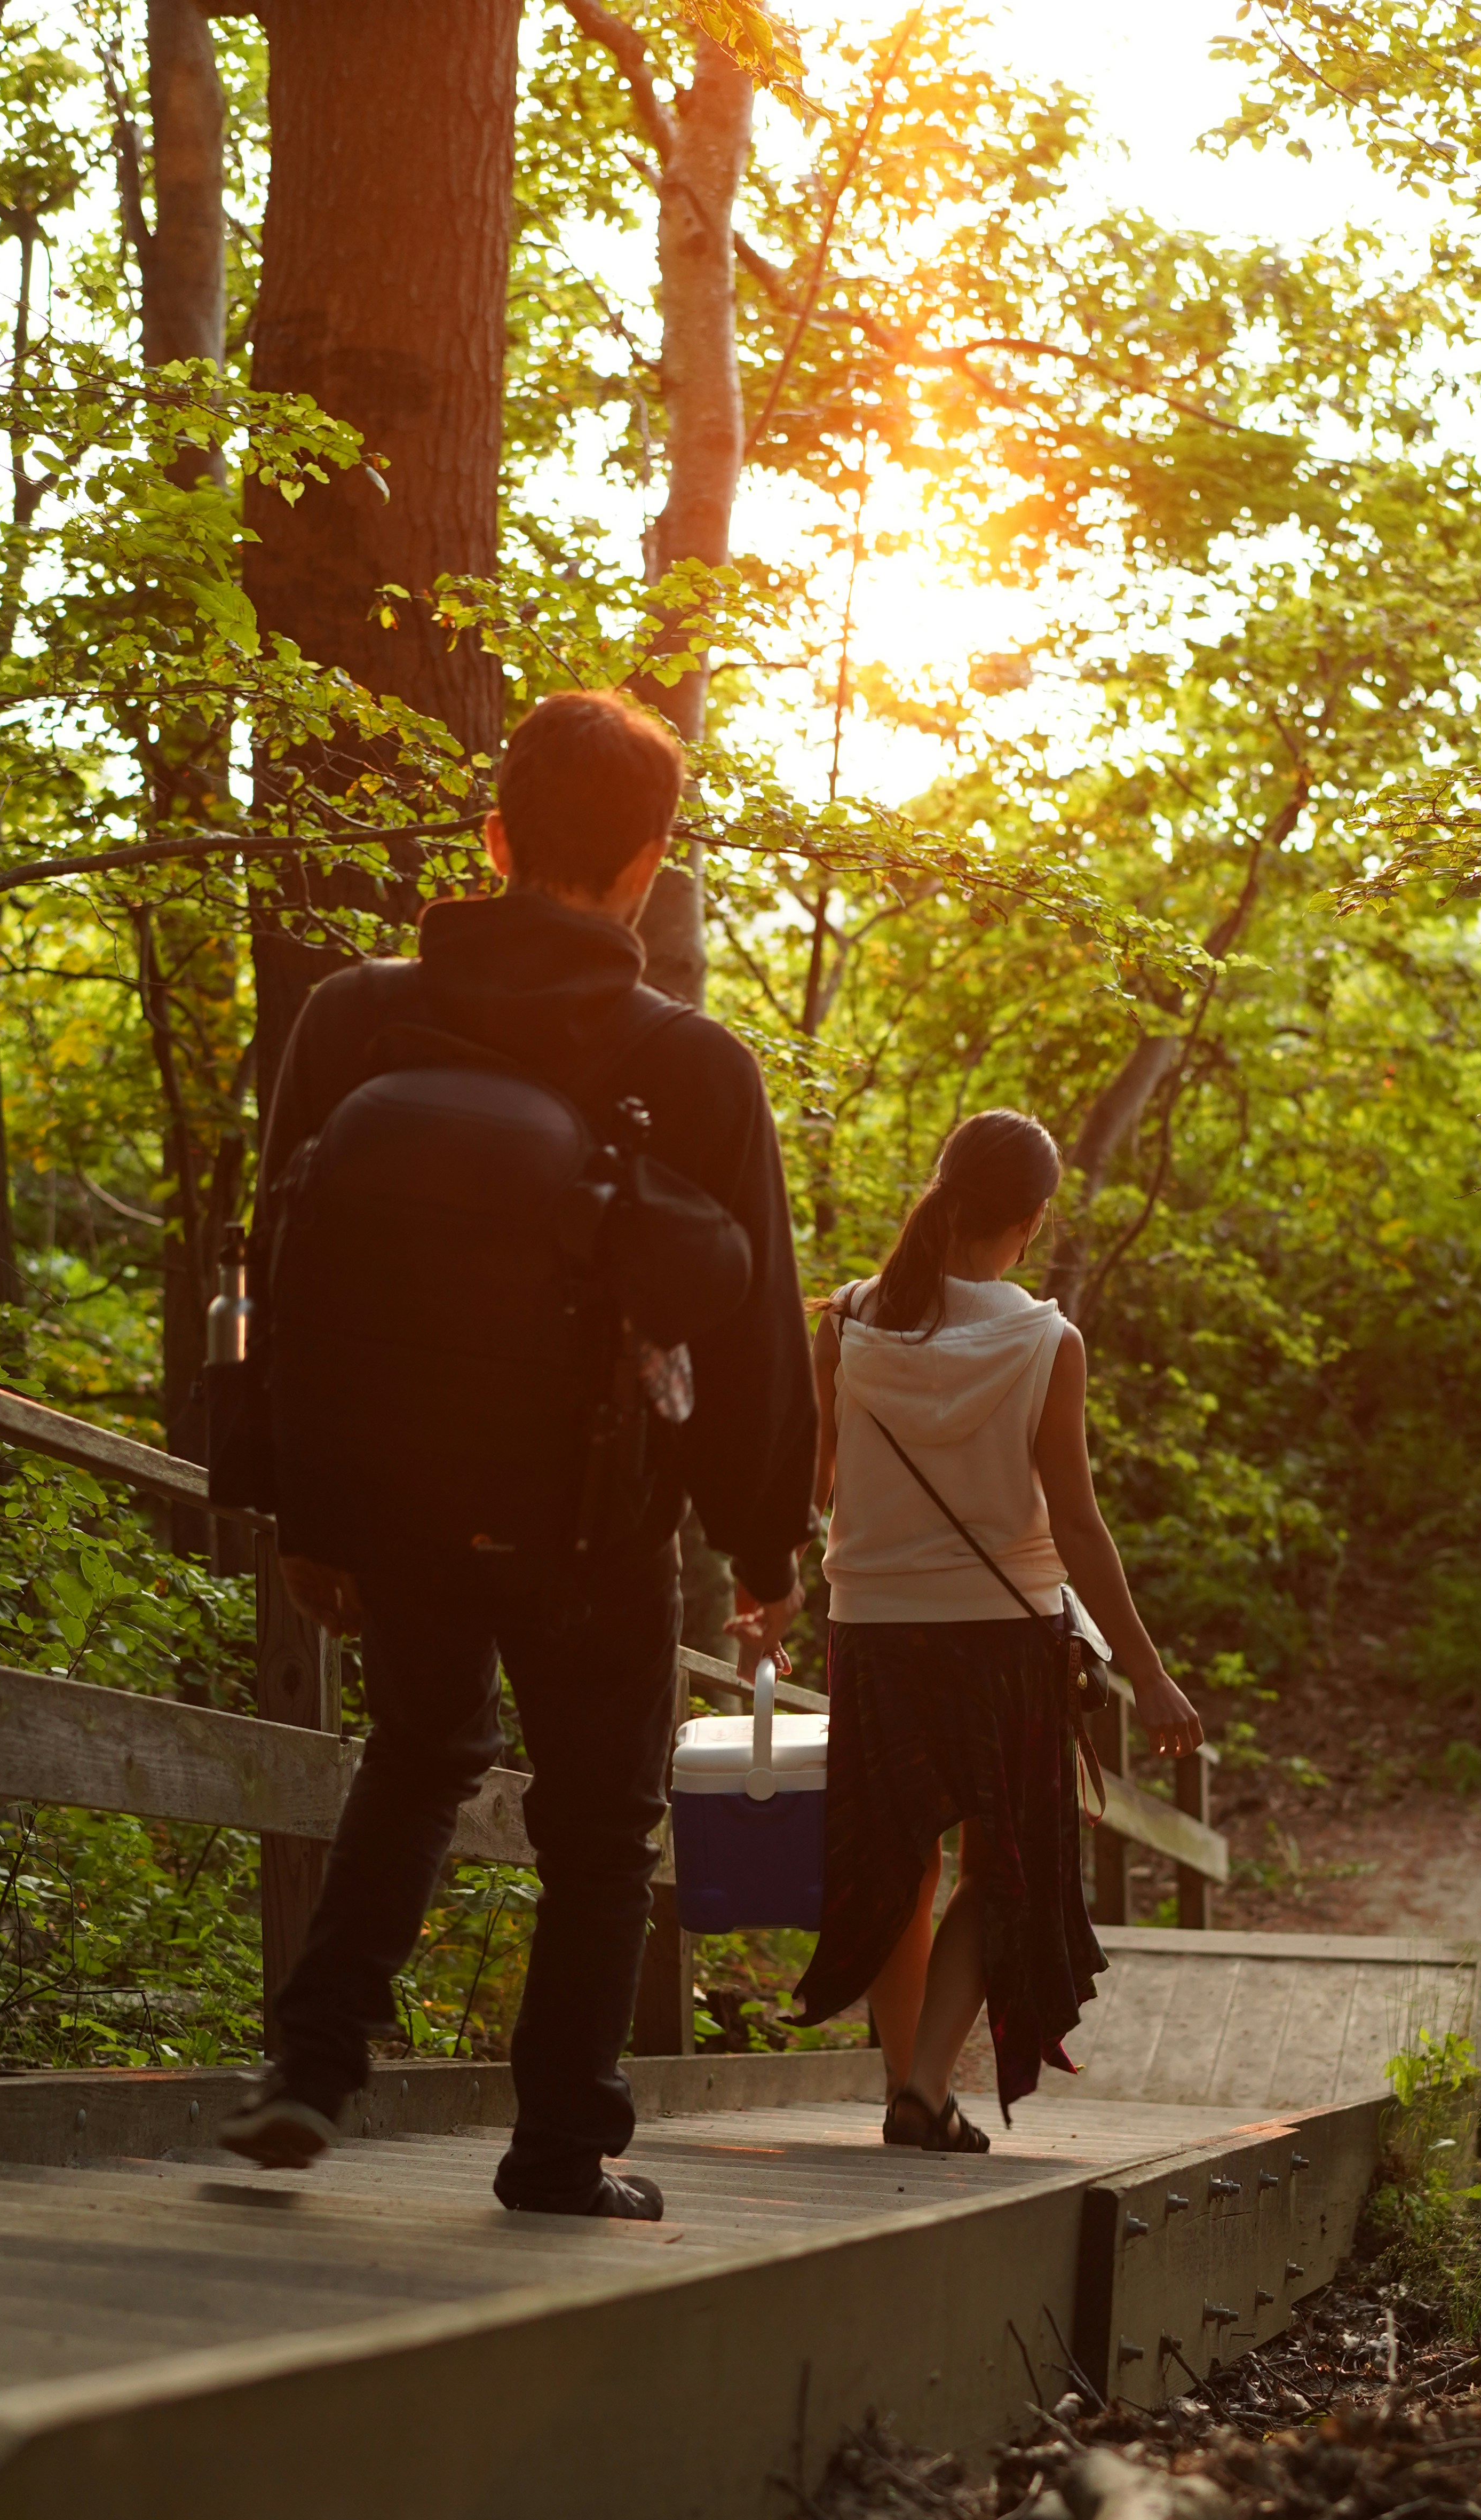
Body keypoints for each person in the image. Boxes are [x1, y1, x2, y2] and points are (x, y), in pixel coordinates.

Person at [221, 689, 815, 2215]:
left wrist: (300, 1502)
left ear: (491, 835)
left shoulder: (353, 1017)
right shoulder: (693, 1064)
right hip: (592, 1519)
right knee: (602, 1831)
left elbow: (272, 1266)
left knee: (416, 1758)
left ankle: (307, 2071)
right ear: (651, 864)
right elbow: (756, 1343)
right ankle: (559, 2149)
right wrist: (764, 1552)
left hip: (397, 1496)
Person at [793, 1110, 1201, 2146]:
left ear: (938, 1194)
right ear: (1028, 1221)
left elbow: (814, 1485)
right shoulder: (1040, 1341)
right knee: (998, 1862)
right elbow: (1073, 1519)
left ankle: (906, 2084)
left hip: (875, 1632)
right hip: (1003, 1637)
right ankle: (925, 2086)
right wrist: (1147, 1673)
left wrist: (768, 1594)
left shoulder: (842, 1325)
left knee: (896, 1858)